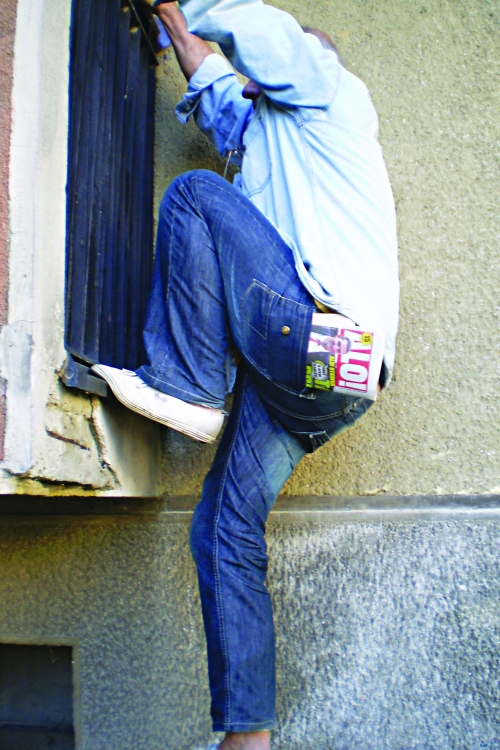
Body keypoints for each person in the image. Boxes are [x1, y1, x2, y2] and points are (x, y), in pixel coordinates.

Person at [92, 1, 399, 747]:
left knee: (196, 196)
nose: (252, 77)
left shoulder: (327, 92)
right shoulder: (265, 137)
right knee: (223, 529)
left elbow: (258, 34)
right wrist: (170, 19)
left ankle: (191, 385)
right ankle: (248, 737)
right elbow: (213, 80)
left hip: (320, 331)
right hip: (338, 379)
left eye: (264, 71)